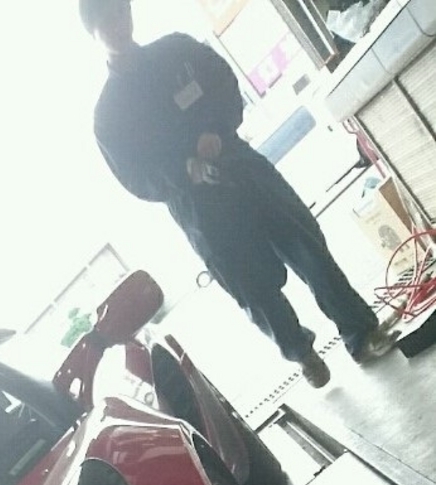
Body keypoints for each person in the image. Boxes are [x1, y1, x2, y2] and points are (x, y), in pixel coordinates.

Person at [80, 0, 397, 387]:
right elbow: (134, 176)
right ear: (92, 32)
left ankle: (361, 332)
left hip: (242, 167)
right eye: (106, 21)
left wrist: (217, 127)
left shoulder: (177, 50)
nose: (117, 24)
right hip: (198, 206)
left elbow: (225, 84)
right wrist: (184, 170)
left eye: (120, 12)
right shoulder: (109, 115)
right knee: (252, 287)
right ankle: (301, 352)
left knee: (308, 248)